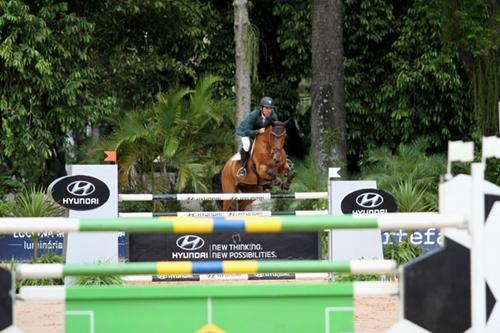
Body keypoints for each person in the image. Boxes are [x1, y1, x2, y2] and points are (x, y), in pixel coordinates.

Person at [236, 96, 278, 177]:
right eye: (267, 108)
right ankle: (242, 167)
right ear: (261, 108)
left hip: (260, 133)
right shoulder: (253, 115)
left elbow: (276, 126)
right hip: (246, 132)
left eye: (271, 108)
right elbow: (247, 131)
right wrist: (258, 131)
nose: (269, 110)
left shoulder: (273, 115)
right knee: (247, 145)